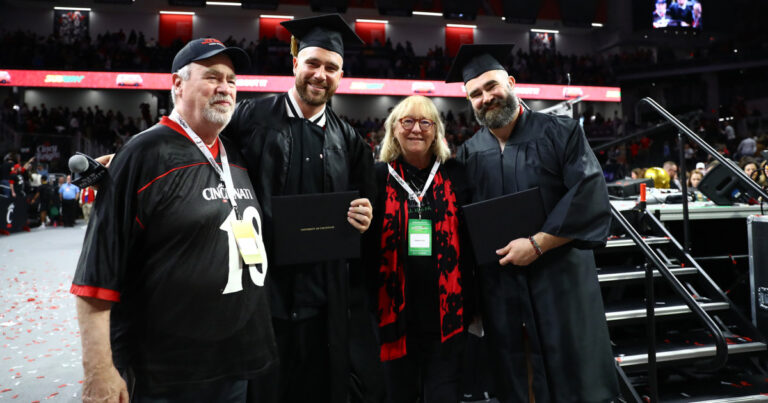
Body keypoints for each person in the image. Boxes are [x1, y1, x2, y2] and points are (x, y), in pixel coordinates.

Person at [71, 38, 276, 402]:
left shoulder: (237, 155)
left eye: (231, 79)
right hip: (169, 375)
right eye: (212, 77)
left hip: (235, 366)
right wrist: (99, 369)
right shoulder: (143, 154)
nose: (225, 88)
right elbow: (97, 273)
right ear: (177, 84)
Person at [222, 14, 383, 403]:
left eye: (331, 67)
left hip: (322, 299)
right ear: (294, 63)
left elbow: (368, 202)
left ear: (341, 75)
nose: (320, 74)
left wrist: (366, 215)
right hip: (262, 292)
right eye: (312, 63)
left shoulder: (349, 140)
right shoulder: (248, 118)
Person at [447, 44, 618, 402]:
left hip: (559, 280)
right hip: (503, 286)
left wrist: (538, 243)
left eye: (491, 86)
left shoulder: (561, 132)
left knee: (575, 371)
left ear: (511, 82)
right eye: (475, 93)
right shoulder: (468, 154)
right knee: (514, 375)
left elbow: (587, 192)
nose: (485, 97)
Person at [366, 95, 473, 402]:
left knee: (443, 394)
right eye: (408, 121)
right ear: (393, 129)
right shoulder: (376, 177)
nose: (417, 129)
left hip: (447, 314)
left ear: (436, 130)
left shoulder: (456, 174)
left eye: (426, 122)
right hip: (393, 315)